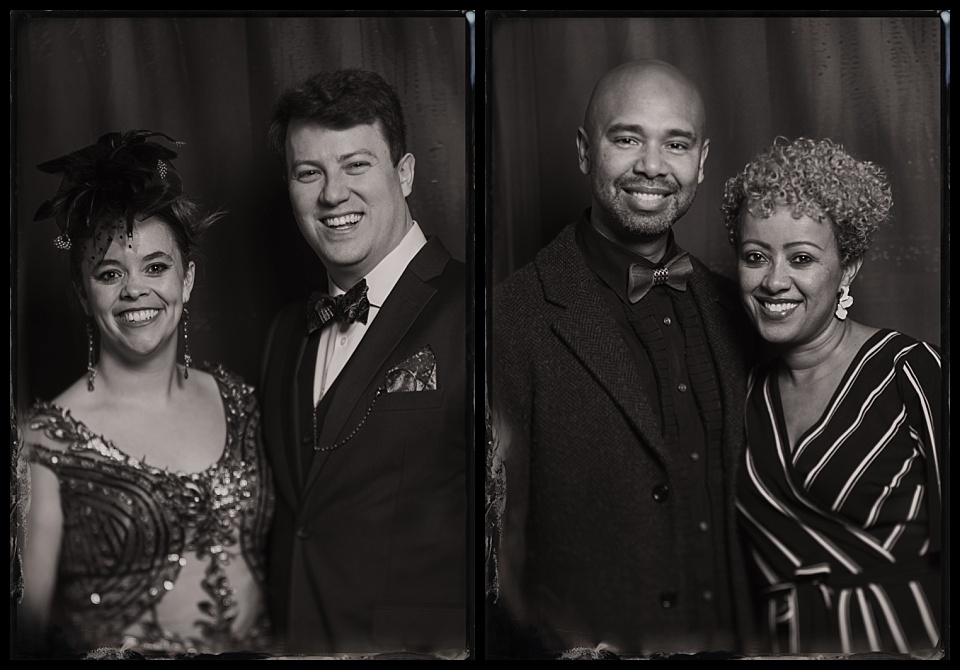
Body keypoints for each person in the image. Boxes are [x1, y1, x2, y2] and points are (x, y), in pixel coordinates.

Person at [489, 59, 758, 656]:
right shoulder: (507, 320)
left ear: (702, 161)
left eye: (676, 144)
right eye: (628, 138)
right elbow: (491, 558)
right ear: (586, 151)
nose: (653, 166)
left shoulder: (742, 312)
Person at [16, 130, 275, 658]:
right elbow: (26, 632)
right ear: (82, 293)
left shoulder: (242, 402)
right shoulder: (44, 440)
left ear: (188, 279)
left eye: (156, 267)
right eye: (110, 273)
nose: (135, 289)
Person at [260, 69, 467, 655]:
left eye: (356, 165)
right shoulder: (283, 333)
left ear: (404, 174)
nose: (333, 194)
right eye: (309, 173)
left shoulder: (480, 310)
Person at [722, 137, 942, 655]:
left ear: (848, 267)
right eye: (755, 257)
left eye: (801, 258)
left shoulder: (911, 371)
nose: (774, 281)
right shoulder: (742, 393)